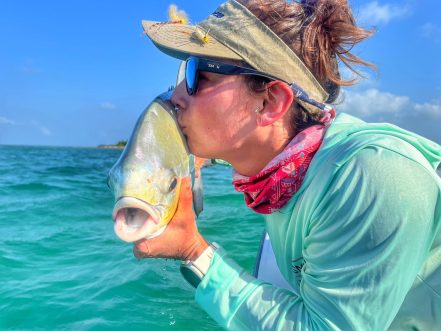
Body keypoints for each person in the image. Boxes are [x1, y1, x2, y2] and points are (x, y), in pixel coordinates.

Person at [134, 0, 441, 329]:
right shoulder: (279, 177)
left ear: (271, 102)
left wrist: (193, 251)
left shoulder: (370, 174)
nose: (175, 96)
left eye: (197, 74)